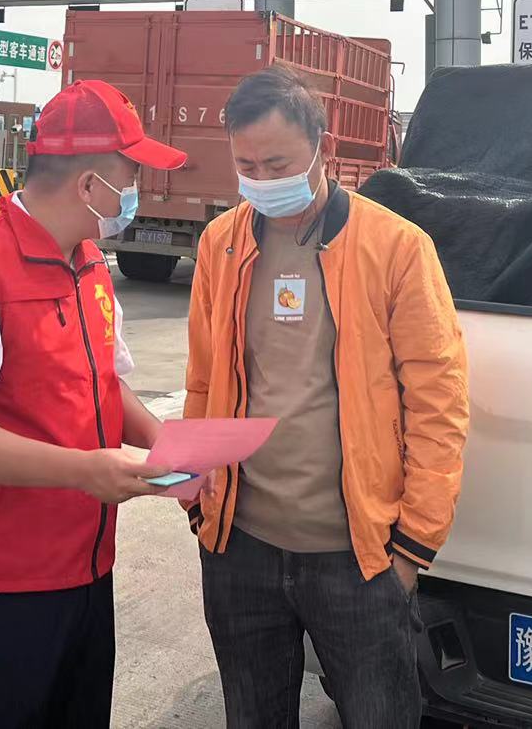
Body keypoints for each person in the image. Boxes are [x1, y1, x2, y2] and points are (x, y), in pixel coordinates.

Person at [184, 68, 470, 729]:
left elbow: (438, 401)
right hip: (239, 548)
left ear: (323, 145)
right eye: (247, 165)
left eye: (278, 164)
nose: (262, 179)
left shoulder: (396, 248)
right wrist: (199, 501)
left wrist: (411, 547)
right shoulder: (221, 244)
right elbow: (202, 382)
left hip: (358, 556)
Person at [0, 79, 188, 729]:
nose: (137, 192)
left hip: (84, 562)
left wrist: (168, 446)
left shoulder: (89, 266)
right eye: (131, 176)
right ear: (89, 185)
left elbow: (106, 385)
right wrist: (86, 470)